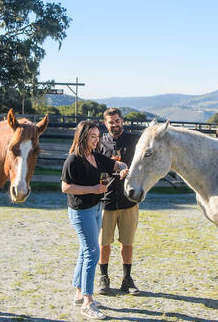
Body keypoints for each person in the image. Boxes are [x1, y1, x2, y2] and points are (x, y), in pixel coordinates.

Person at [62, 120, 128, 319]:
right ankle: (88, 302)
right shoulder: (73, 160)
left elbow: (118, 164)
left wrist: (123, 168)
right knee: (92, 251)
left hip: (96, 209)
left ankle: (79, 293)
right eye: (92, 137)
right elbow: (66, 187)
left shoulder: (97, 157)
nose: (96, 140)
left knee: (85, 250)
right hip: (80, 212)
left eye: (98, 137)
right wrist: (92, 189)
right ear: (82, 137)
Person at [97, 108, 142, 295]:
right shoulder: (100, 142)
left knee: (127, 242)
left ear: (122, 121)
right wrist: (106, 178)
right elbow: (97, 169)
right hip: (106, 200)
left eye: (117, 120)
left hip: (128, 200)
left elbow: (141, 164)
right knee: (104, 243)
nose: (114, 124)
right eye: (110, 122)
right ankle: (104, 278)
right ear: (105, 124)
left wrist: (129, 171)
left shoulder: (133, 140)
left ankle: (127, 279)